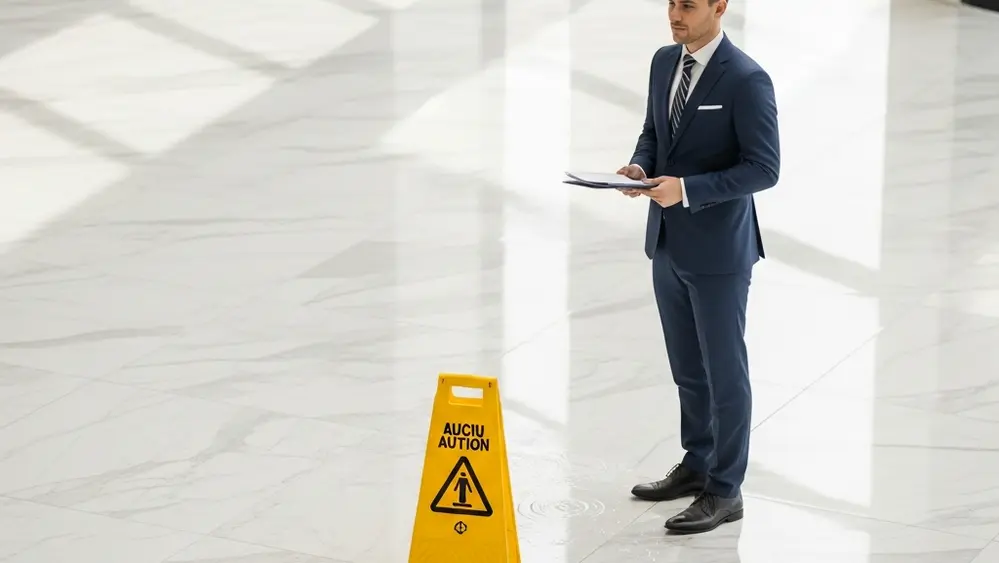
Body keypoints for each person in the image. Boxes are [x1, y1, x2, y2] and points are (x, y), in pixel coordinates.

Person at [616, 0, 780, 534]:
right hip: (667, 243)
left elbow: (763, 168)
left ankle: (725, 489)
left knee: (724, 374)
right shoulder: (665, 61)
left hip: (718, 253)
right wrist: (640, 166)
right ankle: (698, 462)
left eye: (688, 4)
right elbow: (654, 131)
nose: (675, 14)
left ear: (719, 6)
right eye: (670, 2)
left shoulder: (747, 80)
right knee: (688, 368)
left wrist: (687, 189)